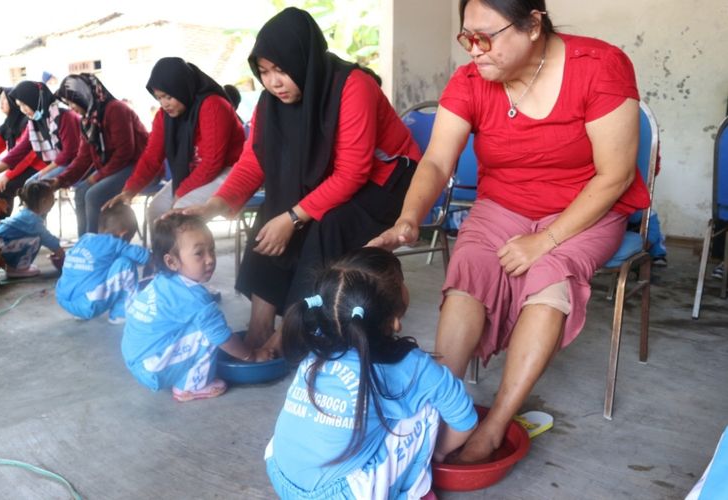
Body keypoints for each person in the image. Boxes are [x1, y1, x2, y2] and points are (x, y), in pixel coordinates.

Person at [370, 0, 650, 463]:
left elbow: (614, 176)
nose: (474, 51)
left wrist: (546, 241)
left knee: (550, 278)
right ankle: (439, 403)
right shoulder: (470, 80)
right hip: (503, 204)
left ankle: (497, 423)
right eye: (467, 37)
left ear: (533, 24)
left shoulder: (600, 66)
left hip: (586, 209)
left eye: (487, 37)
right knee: (472, 264)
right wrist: (408, 218)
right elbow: (438, 161)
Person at [184, 7, 422, 350]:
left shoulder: (353, 86)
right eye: (264, 72)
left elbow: (354, 171)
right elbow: (254, 163)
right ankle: (260, 328)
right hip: (336, 179)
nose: (273, 82)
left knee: (327, 225)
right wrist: (214, 205)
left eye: (281, 70)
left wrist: (295, 216)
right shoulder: (270, 104)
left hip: (391, 182)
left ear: (304, 59)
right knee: (272, 214)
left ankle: (290, 334)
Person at [265, 247, 477, 499]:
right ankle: (412, 491)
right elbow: (465, 419)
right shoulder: (413, 366)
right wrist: (439, 453)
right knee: (428, 406)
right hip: (339, 494)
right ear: (395, 321)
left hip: (280, 473)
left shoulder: (317, 340)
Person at [120, 213, 272, 402]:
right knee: (208, 333)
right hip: (153, 366)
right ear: (172, 262)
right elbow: (221, 337)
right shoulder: (193, 297)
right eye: (199, 253)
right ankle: (191, 387)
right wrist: (251, 356)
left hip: (137, 359)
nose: (210, 259)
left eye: (212, 250)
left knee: (202, 324)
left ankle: (179, 372)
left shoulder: (164, 281)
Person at [103, 57, 245, 237]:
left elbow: (212, 162)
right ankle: (163, 261)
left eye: (168, 96)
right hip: (193, 174)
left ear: (182, 88)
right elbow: (151, 157)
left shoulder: (214, 105)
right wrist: (129, 191)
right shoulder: (165, 117)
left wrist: (181, 192)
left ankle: (185, 263)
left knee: (179, 212)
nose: (164, 103)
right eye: (159, 98)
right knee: (156, 209)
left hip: (229, 171)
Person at [46, 74, 149, 236]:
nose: (71, 107)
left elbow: (125, 152)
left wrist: (97, 176)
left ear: (84, 96)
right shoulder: (87, 121)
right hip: (116, 167)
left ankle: (94, 245)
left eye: (73, 102)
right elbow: (83, 158)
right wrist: (60, 180)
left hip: (139, 165)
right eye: (68, 103)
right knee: (80, 192)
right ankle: (85, 242)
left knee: (93, 194)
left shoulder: (116, 109)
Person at [55, 204, 150, 324]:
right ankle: (121, 313)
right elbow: (142, 256)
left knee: (100, 267)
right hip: (88, 304)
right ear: (123, 234)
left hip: (63, 299)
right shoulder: (115, 242)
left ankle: (80, 313)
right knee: (125, 263)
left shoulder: (85, 238)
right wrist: (160, 258)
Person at [0, 81, 81, 185]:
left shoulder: (63, 116)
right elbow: (20, 150)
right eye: (19, 106)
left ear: (33, 99)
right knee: (30, 184)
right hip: (59, 164)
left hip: (76, 163)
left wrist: (44, 172)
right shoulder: (34, 122)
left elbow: (68, 153)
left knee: (34, 186)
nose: (23, 110)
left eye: (24, 104)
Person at [0, 87, 47, 217]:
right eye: (0, 100)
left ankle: (2, 225)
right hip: (21, 167)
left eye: (4, 100)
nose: (1, 104)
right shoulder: (8, 125)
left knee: (3, 188)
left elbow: (26, 156)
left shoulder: (28, 121)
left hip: (39, 166)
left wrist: (8, 175)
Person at [0, 182, 64, 278]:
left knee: (36, 236)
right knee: (37, 238)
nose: (54, 202)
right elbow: (51, 242)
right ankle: (16, 268)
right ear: (44, 202)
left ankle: (11, 266)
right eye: (53, 199)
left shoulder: (25, 215)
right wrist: (66, 259)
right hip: (0, 251)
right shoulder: (34, 222)